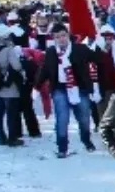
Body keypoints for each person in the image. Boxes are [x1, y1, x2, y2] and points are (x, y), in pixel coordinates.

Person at [39, 23, 96, 158]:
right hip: (60, 89)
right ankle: (62, 147)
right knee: (62, 118)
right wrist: (36, 86)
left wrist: (98, 44)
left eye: (63, 36)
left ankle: (86, 139)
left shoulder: (80, 49)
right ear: (54, 39)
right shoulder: (51, 52)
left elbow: (96, 58)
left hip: (80, 88)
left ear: (68, 35)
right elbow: (45, 70)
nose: (61, 39)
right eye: (57, 37)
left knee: (84, 118)